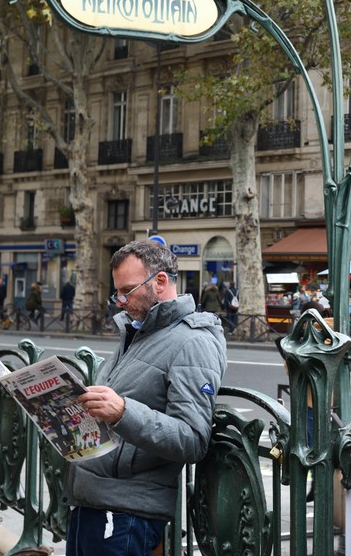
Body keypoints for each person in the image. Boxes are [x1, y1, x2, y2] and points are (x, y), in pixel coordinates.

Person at [65, 238, 227, 555]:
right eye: (117, 292)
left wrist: (123, 412)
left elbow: (193, 438)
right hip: (93, 501)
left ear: (161, 281)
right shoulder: (138, 331)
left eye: (127, 291)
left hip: (128, 513)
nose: (120, 301)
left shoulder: (192, 341)